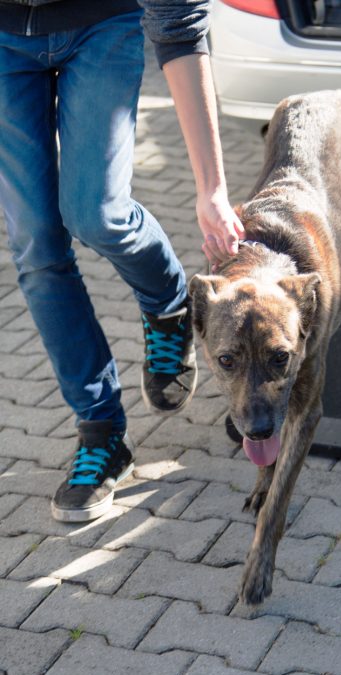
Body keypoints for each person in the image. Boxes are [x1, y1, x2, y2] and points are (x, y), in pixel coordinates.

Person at [0, 0, 243, 522]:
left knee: (96, 213)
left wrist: (212, 189)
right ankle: (102, 430)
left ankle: (169, 302)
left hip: (103, 21)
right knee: (36, 245)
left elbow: (177, 22)